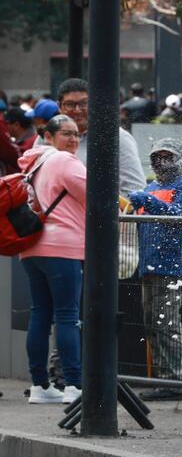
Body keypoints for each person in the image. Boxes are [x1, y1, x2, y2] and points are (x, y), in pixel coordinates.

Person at [16, 115, 86, 404]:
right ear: (49, 136)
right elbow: (97, 195)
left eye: (76, 134)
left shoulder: (32, 163)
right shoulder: (65, 161)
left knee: (40, 315)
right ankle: (74, 385)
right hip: (63, 247)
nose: (73, 139)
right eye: (66, 133)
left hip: (32, 248)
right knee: (67, 316)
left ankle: (40, 386)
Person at [125, 138, 182, 401]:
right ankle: (161, 378)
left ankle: (173, 381)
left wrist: (148, 201)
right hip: (148, 265)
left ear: (179, 159)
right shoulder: (152, 186)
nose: (161, 162)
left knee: (166, 324)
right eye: (157, 157)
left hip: (170, 266)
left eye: (167, 157)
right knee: (152, 324)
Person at [58, 78, 147, 193]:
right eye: (70, 105)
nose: (77, 110)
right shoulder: (48, 137)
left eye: (84, 103)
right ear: (59, 106)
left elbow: (135, 189)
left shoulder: (116, 138)